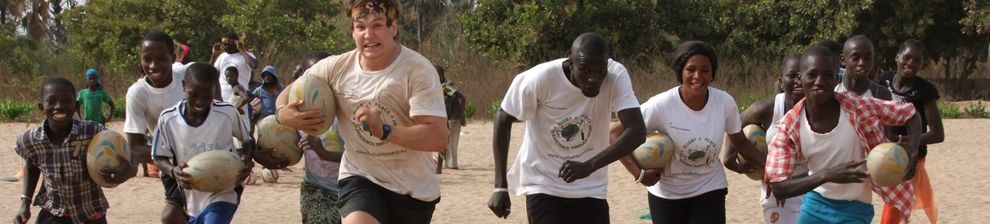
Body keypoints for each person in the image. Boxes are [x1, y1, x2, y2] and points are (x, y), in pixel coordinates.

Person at [274, 1, 448, 223]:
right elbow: (288, 92)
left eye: (377, 25)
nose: (368, 34)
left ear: (393, 28)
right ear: (352, 31)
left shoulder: (417, 70)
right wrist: (282, 113)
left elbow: (437, 138)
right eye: (361, 27)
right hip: (361, 178)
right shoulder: (335, 67)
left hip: (412, 191)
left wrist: (385, 130)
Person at [487, 33, 646, 223]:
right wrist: (500, 187)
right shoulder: (540, 79)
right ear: (571, 63)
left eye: (600, 71)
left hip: (591, 188)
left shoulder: (616, 75)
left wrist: (589, 166)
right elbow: (503, 117)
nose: (594, 79)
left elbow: (637, 131)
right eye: (586, 70)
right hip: (544, 185)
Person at [610, 41, 764, 223]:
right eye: (691, 69)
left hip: (709, 187)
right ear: (680, 72)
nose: (697, 76)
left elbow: (741, 142)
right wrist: (638, 173)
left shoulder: (724, 103)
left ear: (712, 73)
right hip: (667, 194)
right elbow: (615, 133)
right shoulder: (661, 105)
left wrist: (770, 170)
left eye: (705, 70)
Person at [765, 46, 923, 224]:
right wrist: (827, 175)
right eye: (812, 75)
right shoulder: (789, 126)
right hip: (815, 205)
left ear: (836, 78)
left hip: (856, 207)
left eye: (828, 75)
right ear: (801, 78)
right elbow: (778, 187)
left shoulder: (858, 107)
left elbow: (911, 114)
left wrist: (913, 149)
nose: (820, 82)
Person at [14, 77, 136, 224]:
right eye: (51, 101)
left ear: (75, 105)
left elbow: (126, 156)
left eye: (66, 101)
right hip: (53, 212)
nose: (59, 106)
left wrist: (129, 171)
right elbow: (32, 166)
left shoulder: (93, 132)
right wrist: (24, 204)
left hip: (90, 212)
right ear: (41, 107)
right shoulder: (31, 140)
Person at [151, 63, 258, 224]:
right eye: (194, 95)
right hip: (193, 193)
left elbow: (248, 139)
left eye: (206, 96)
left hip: (226, 188)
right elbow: (158, 156)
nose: (200, 101)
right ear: (183, 87)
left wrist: (247, 160)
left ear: (215, 90)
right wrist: (173, 171)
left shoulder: (227, 112)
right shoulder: (168, 119)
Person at [122, 31, 187, 224]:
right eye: (147, 59)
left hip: (203, 156)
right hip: (170, 166)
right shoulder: (138, 93)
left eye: (161, 59)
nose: (153, 66)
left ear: (173, 58)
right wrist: (171, 161)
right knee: (174, 217)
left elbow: (211, 75)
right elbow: (135, 147)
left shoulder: (185, 75)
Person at [878, 40, 945, 224]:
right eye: (906, 57)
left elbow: (937, 134)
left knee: (893, 206)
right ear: (897, 57)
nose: (910, 63)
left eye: (916, 61)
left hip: (910, 155)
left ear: (921, 65)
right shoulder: (884, 79)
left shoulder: (925, 91)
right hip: (883, 152)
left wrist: (901, 139)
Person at [735, 54, 806, 223]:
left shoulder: (821, 108)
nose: (798, 81)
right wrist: (731, 159)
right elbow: (734, 125)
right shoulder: (767, 109)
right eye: (792, 75)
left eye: (802, 75)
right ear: (781, 80)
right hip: (775, 189)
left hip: (813, 187)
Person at [292, 51, 347, 224]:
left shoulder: (346, 112)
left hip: (349, 190)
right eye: (309, 75)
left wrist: (324, 153)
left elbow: (362, 158)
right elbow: (293, 151)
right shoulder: (297, 113)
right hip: (316, 189)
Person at [835, 35, 892, 100]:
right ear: (843, 60)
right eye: (855, 58)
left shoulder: (881, 95)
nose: (862, 63)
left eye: (868, 58)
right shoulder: (832, 86)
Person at [211, 32, 258, 106]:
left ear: (234, 43)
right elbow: (210, 72)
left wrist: (241, 50)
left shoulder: (247, 55)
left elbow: (254, 65)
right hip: (222, 99)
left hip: (240, 100)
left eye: (227, 44)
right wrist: (214, 55)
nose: (224, 46)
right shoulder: (222, 56)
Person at [436, 64, 466, 172]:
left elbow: (462, 98)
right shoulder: (437, 85)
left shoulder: (446, 86)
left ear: (440, 75)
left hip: (454, 116)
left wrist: (462, 115)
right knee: (445, 140)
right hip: (446, 117)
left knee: (451, 141)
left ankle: (451, 164)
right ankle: (447, 164)